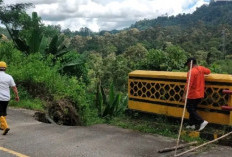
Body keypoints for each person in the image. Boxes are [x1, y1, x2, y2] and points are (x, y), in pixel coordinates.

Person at [182, 58, 211, 131]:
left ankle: (202, 121)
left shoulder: (191, 72)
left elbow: (188, 85)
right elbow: (208, 71)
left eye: (187, 64)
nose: (187, 66)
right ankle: (192, 124)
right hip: (200, 93)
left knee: (190, 108)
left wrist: (184, 94)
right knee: (193, 109)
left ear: (189, 63)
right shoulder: (201, 68)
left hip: (193, 94)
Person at [0, 61, 19, 135]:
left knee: (0, 113)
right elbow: (14, 87)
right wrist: (17, 96)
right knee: (4, 112)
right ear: (5, 68)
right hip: (6, 98)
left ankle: (5, 127)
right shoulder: (9, 77)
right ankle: (1, 126)